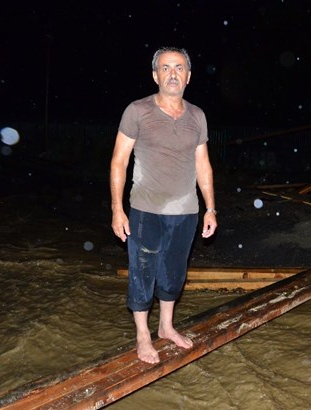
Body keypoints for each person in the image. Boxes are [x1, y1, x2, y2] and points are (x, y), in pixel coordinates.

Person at [110, 47, 217, 364]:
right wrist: (117, 209)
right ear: (155, 75)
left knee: (173, 273)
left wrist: (210, 207)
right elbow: (119, 161)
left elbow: (203, 165)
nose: (173, 73)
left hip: (186, 212)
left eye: (180, 67)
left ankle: (166, 326)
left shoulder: (197, 116)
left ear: (188, 76)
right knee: (142, 273)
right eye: (166, 68)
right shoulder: (137, 111)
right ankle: (143, 335)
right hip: (145, 209)